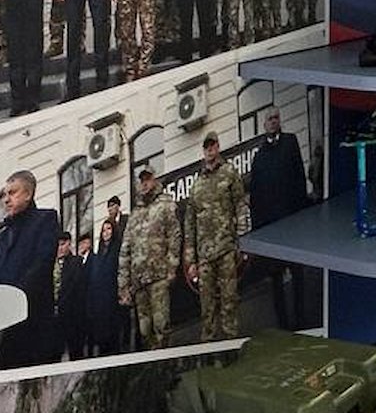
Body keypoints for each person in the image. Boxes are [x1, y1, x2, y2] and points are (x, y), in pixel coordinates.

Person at [0, 170, 62, 369]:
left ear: (28, 194)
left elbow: (42, 264)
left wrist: (14, 299)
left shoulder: (45, 220)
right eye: (5, 195)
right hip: (3, 332)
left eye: (12, 193)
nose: (6, 200)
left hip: (34, 325)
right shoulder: (1, 238)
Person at [185, 131, 252, 342]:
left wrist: (244, 241)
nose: (209, 150)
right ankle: (209, 347)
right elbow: (190, 224)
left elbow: (241, 206)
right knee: (207, 305)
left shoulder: (229, 173)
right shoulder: (196, 184)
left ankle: (231, 344)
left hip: (226, 249)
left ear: (218, 147)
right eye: (206, 147)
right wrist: (191, 261)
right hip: (204, 255)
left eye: (212, 146)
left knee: (229, 299)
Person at [247, 109, 310, 329]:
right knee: (276, 278)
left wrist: (302, 214)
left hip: (291, 223)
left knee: (297, 273)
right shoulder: (259, 156)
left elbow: (299, 178)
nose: (273, 122)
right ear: (264, 125)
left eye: (276, 118)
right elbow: (256, 196)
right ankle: (283, 324)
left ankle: (301, 320)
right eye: (269, 119)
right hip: (271, 229)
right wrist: (258, 232)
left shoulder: (290, 143)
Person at [120, 168, 179, 350]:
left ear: (154, 180)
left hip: (159, 275)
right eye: (142, 180)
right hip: (139, 281)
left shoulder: (165, 204)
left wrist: (172, 267)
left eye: (148, 179)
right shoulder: (135, 213)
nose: (144, 183)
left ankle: (165, 362)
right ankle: (152, 363)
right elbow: (125, 249)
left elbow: (174, 236)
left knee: (161, 325)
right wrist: (123, 284)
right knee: (145, 330)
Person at [85, 217, 123, 357]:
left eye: (109, 229)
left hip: (112, 296)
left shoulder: (118, 249)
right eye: (103, 230)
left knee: (113, 334)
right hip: (99, 299)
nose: (106, 232)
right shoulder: (98, 253)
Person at [54, 229, 88, 360]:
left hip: (73, 315)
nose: (60, 248)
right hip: (54, 317)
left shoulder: (77, 263)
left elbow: (81, 290)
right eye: (57, 245)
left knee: (76, 352)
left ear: (69, 244)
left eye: (63, 244)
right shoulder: (49, 263)